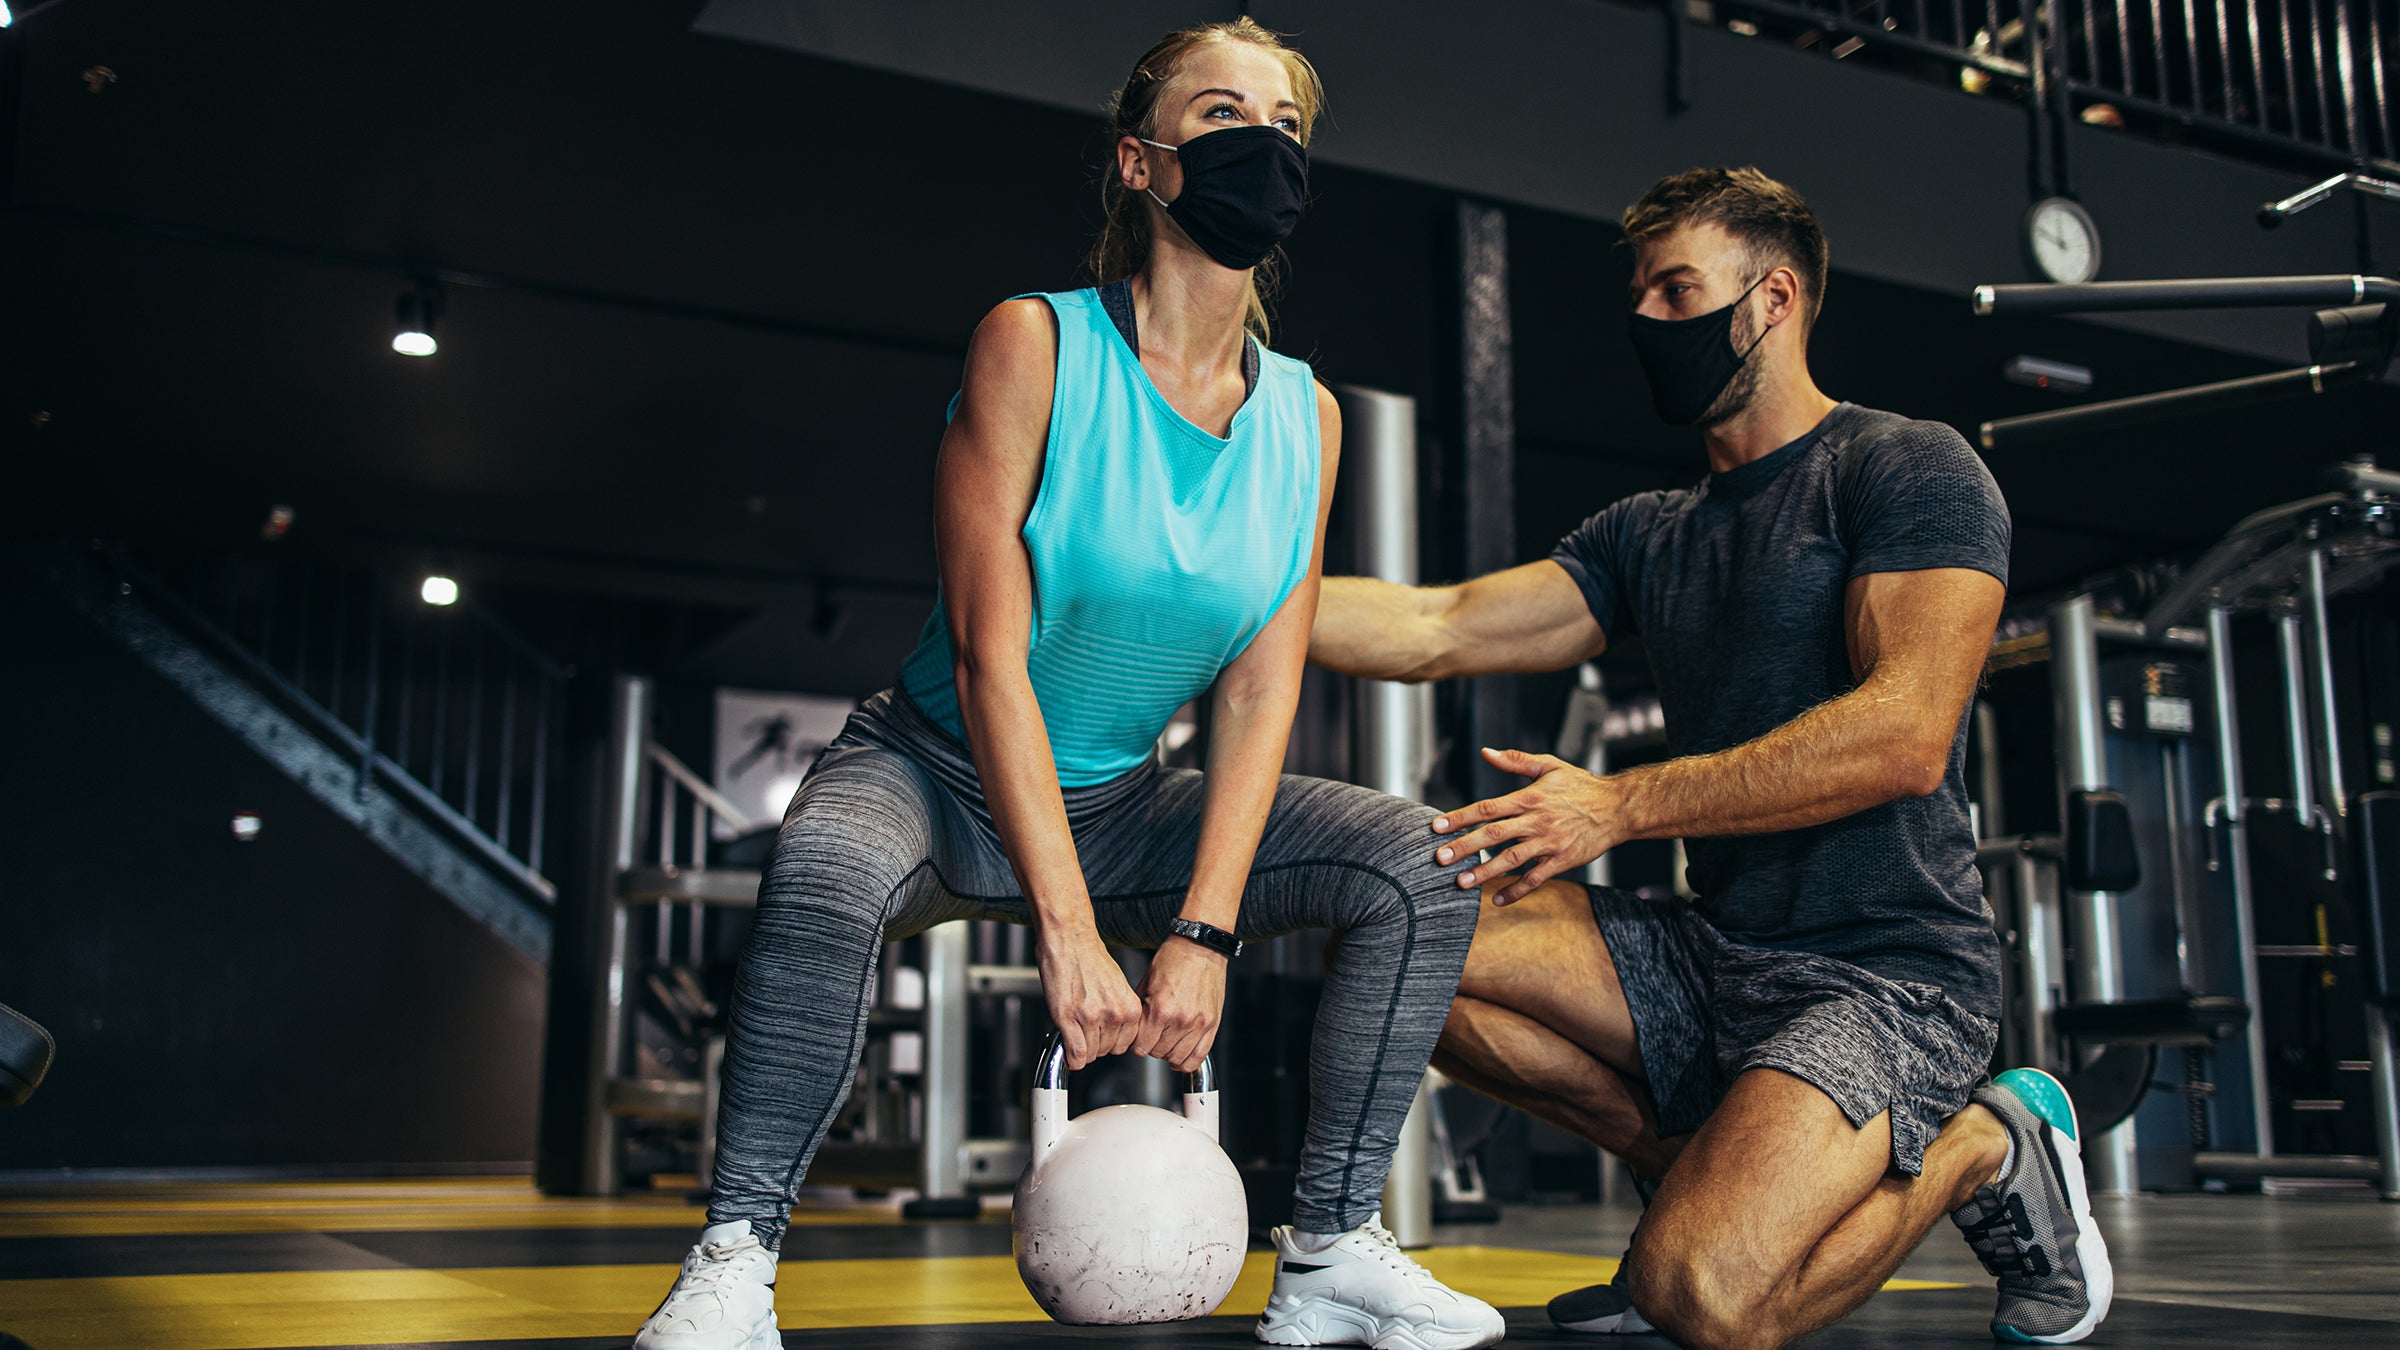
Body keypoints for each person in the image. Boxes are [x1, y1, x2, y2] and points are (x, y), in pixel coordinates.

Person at [633, 20, 1504, 1350]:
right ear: (1141, 162)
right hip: (930, 771)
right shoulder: (1034, 344)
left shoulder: (1308, 418)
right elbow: (989, 657)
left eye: (1286, 123)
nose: (1264, 144)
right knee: (823, 868)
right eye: (1223, 114)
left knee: (1421, 864)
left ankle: (1330, 1249)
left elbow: (1260, 692)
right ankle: (735, 1261)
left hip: (1124, 807)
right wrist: (1069, 928)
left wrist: (1203, 932)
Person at [1309, 167, 2111, 1350]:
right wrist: (1215, 598)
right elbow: (1439, 625)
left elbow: (1902, 734)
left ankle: (1990, 1146)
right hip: (1714, 957)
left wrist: (1620, 805)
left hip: (1884, 975)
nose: (1647, 319)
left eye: (1677, 290)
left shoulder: (1900, 468)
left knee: (1707, 1300)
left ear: (1772, 298)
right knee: (1399, 932)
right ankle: (1700, 1184)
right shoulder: (1651, 533)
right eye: (1640, 294)